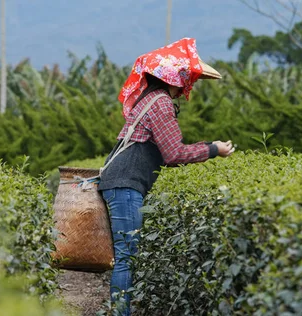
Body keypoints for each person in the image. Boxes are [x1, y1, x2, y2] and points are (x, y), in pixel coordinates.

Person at [97, 38, 235, 315]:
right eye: (189, 78)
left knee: (126, 255)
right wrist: (212, 149)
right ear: (176, 77)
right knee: (127, 256)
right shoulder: (160, 103)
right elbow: (174, 154)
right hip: (126, 185)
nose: (190, 85)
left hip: (121, 182)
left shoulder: (149, 99)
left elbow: (165, 154)